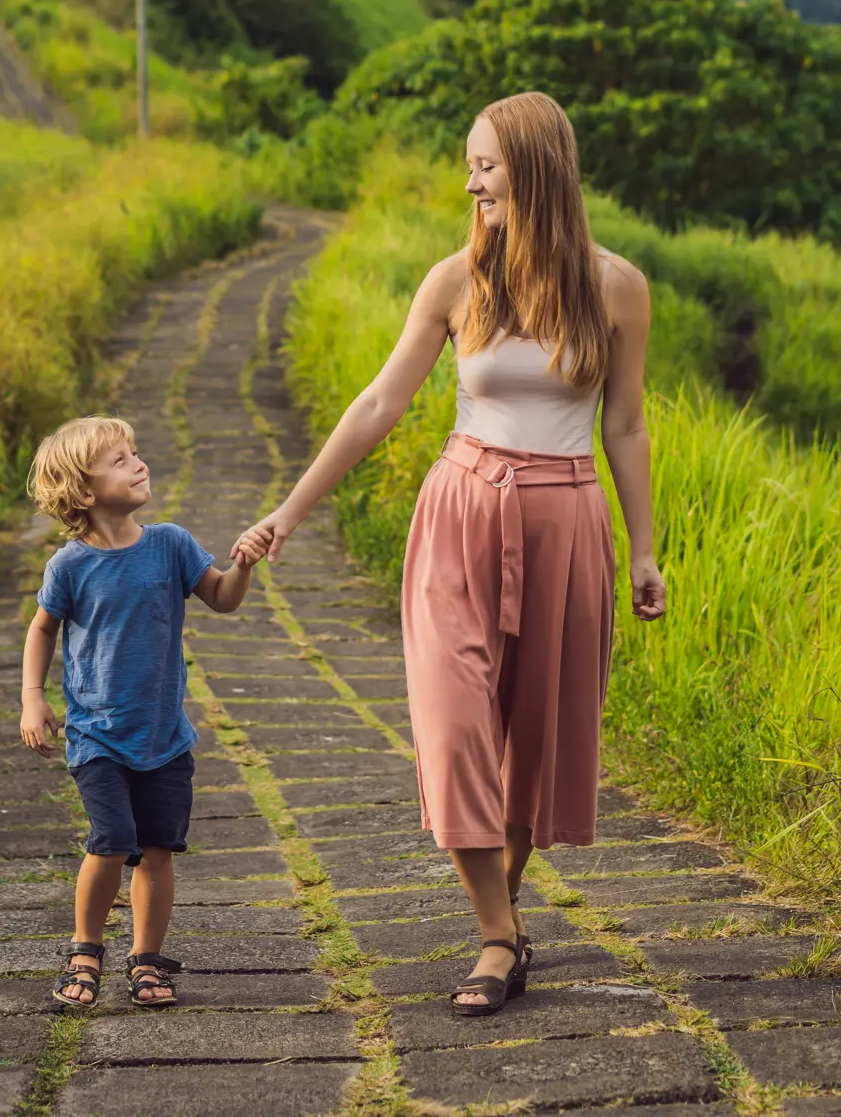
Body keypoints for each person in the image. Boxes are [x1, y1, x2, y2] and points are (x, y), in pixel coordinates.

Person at [234, 91, 667, 1016]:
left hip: (568, 515)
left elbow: (625, 425)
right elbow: (378, 406)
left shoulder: (617, 286)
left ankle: (499, 923)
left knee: (536, 737)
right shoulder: (454, 282)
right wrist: (290, 513)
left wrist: (643, 552)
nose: (470, 182)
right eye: (469, 165)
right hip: (460, 511)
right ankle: (499, 935)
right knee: (454, 722)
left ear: (538, 168)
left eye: (486, 164)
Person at [19, 414, 261, 1010]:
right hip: (98, 734)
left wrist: (245, 566)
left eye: (136, 453)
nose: (139, 463)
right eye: (121, 459)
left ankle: (146, 960)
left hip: (164, 736)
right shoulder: (69, 566)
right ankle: (85, 951)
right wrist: (32, 696)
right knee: (110, 840)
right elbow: (42, 628)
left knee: (157, 848)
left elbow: (222, 600)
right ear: (83, 490)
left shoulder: (171, 544)